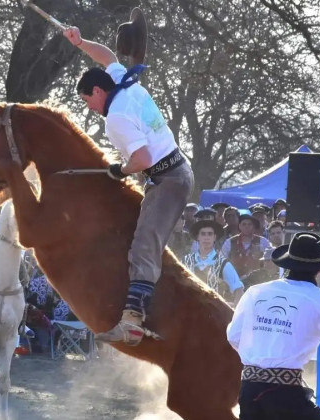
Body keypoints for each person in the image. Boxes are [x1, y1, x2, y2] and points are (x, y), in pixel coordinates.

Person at [62, 10, 194, 345]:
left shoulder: (115, 118)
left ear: (97, 91)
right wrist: (80, 43)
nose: (88, 106)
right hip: (173, 172)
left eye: (86, 100)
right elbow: (105, 54)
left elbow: (143, 159)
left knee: (142, 247)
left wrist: (119, 170)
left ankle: (133, 321)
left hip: (167, 179)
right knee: (139, 242)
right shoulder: (124, 82)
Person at [227, 232, 320, 420]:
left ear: (287, 264)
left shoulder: (255, 292)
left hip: (249, 390)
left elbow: (234, 336)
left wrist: (262, 357)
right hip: (286, 394)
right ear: (318, 271)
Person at [183, 220, 244, 306]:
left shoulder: (223, 263)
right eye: (203, 234)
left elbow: (238, 289)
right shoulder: (185, 261)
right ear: (198, 237)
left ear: (215, 237)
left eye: (210, 234)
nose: (206, 238)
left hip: (212, 314)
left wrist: (234, 311)